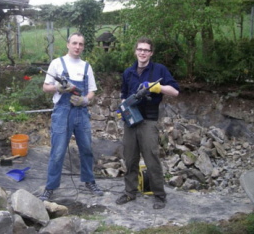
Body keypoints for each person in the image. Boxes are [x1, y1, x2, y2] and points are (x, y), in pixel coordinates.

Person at [116, 36, 179, 209]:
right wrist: (123, 108)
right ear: (136, 51)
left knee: (151, 159)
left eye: (146, 50)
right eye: (140, 49)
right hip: (130, 122)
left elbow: (175, 91)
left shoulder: (159, 70)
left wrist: (157, 87)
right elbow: (123, 93)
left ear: (151, 53)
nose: (142, 52)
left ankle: (159, 195)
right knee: (129, 159)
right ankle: (130, 192)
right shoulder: (128, 72)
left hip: (149, 121)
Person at [40, 32, 103, 201]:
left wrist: (84, 100)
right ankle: (50, 187)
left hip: (81, 113)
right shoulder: (56, 63)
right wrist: (58, 88)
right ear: (68, 44)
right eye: (74, 43)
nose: (77, 47)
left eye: (81, 44)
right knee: (58, 151)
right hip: (61, 113)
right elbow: (46, 87)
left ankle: (89, 181)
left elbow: (92, 92)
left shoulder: (86, 67)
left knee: (87, 149)